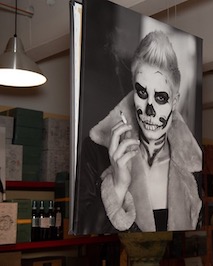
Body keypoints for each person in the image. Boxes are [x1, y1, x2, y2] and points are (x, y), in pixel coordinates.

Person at [76, 30, 202, 234]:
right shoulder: (95, 151)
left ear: (175, 101)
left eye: (160, 97)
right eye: (142, 93)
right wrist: (117, 186)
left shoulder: (194, 168)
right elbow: (84, 234)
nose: (149, 109)